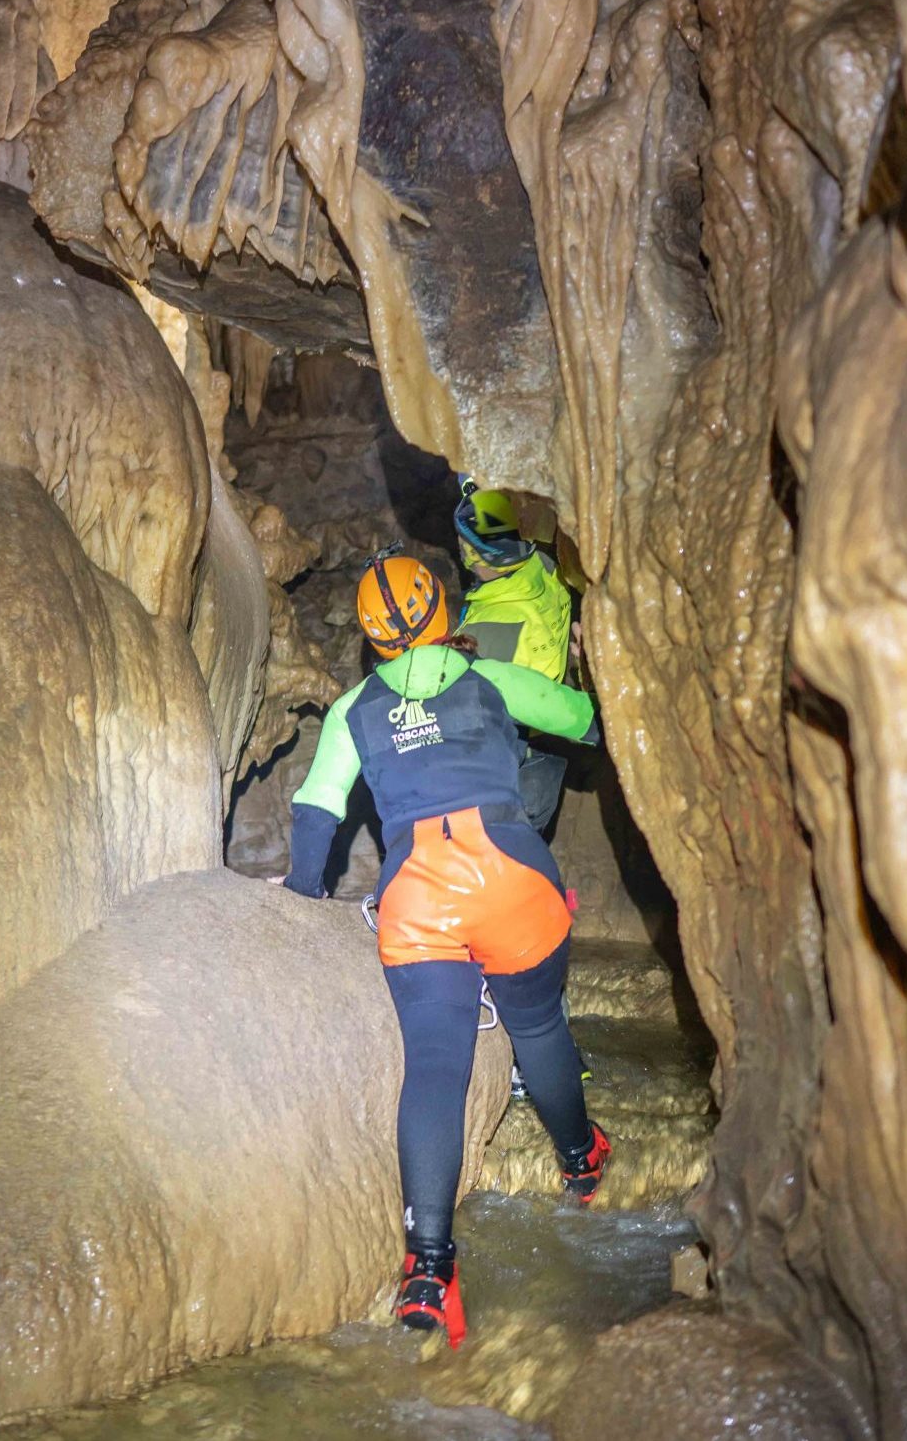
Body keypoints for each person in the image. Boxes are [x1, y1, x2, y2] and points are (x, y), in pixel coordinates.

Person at [279, 551, 611, 1347]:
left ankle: (428, 1268)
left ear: (370, 637)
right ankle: (580, 1160)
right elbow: (581, 719)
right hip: (510, 877)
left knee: (434, 1064)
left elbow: (318, 808)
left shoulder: (355, 707)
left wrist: (299, 893)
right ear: (439, 613)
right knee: (537, 1029)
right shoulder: (491, 678)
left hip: (419, 894)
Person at [451, 477, 576, 835]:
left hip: (515, 781)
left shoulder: (484, 636)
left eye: (464, 542)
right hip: (549, 748)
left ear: (475, 555)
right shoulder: (548, 566)